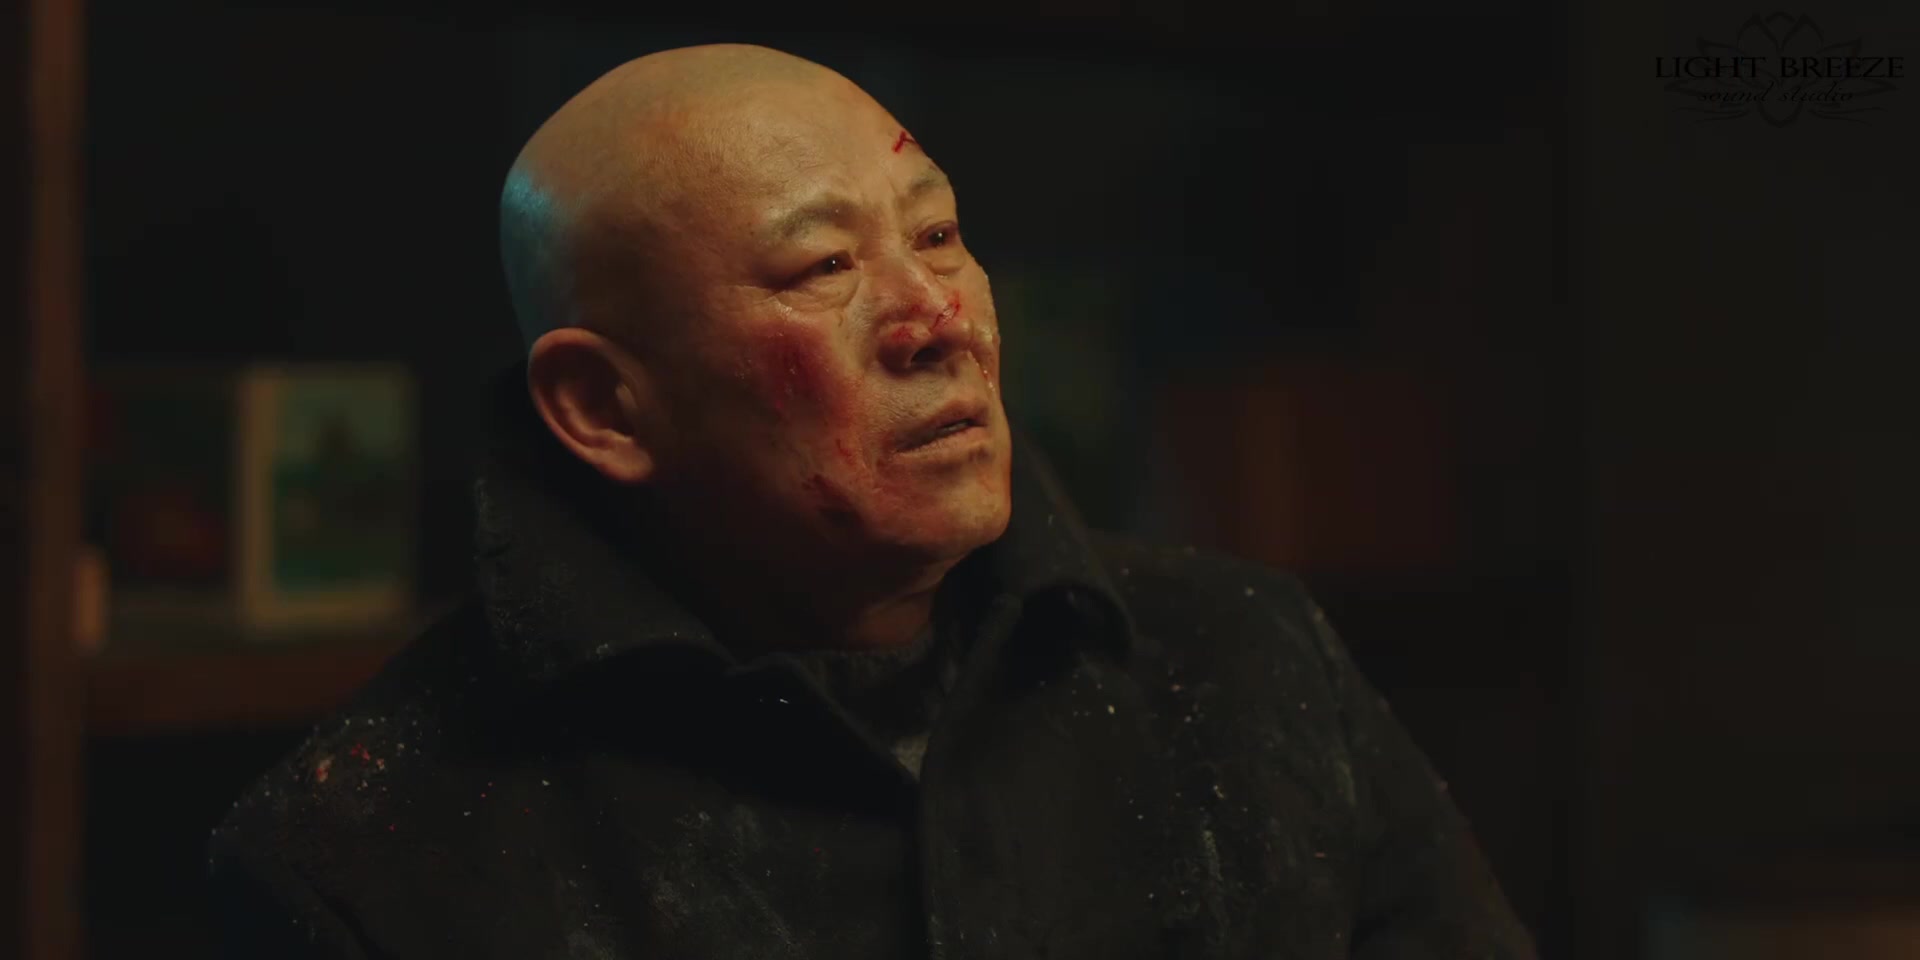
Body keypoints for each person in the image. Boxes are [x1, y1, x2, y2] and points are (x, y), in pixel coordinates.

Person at [209, 43, 1536, 959]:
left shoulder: (1245, 662)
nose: (936, 316)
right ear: (605, 407)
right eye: (823, 267)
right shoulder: (371, 849)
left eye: (939, 234)